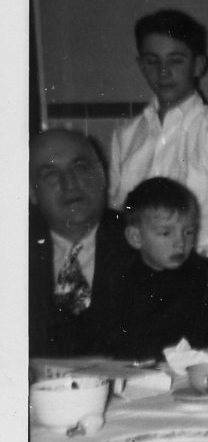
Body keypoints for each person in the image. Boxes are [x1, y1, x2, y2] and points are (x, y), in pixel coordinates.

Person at [108, 9, 208, 279]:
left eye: (175, 61)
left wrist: (204, 298)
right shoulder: (126, 135)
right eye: (152, 61)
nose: (163, 72)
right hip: (134, 278)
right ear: (141, 65)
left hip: (198, 276)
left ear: (198, 65)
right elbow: (117, 215)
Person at [109, 177, 208, 362]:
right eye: (166, 233)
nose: (180, 243)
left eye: (188, 232)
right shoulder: (121, 279)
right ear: (135, 237)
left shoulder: (205, 279)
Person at [29, 129, 133, 359]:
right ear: (31, 192)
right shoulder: (13, 254)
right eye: (51, 175)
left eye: (80, 167)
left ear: (103, 176)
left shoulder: (142, 244)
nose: (70, 184)